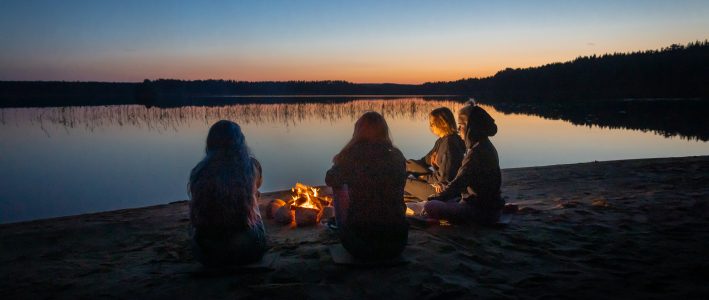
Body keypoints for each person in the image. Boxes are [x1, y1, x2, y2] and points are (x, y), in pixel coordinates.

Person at [325, 111, 408, 259]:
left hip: (361, 244)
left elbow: (330, 179)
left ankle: (344, 225)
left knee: (338, 185)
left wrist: (339, 162)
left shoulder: (352, 155)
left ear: (358, 131)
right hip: (397, 243)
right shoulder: (397, 155)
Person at [188, 120, 267, 266]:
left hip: (206, 254)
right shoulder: (249, 167)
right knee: (254, 195)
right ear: (240, 142)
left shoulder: (199, 171)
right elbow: (258, 184)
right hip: (246, 250)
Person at [424, 103, 504, 225]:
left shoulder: (476, 153)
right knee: (447, 200)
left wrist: (437, 197)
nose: (458, 130)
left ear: (470, 127)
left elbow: (459, 183)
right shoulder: (485, 145)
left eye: (461, 126)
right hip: (491, 208)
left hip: (480, 211)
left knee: (430, 206)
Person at [405, 107, 466, 201]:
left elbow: (444, 179)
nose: (430, 126)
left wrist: (422, 177)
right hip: (436, 180)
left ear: (441, 124)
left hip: (443, 191)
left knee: (404, 182)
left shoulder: (449, 145)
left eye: (432, 123)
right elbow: (424, 161)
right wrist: (405, 166)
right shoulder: (441, 141)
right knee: (408, 164)